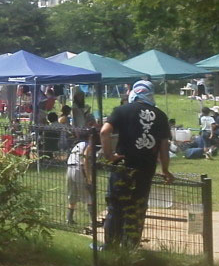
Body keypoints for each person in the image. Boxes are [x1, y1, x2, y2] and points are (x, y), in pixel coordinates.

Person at [100, 80, 173, 248]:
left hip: (122, 166)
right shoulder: (160, 116)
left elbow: (104, 131)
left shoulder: (121, 110)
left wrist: (109, 155)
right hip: (145, 169)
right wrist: (166, 170)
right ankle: (130, 248)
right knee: (137, 208)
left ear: (134, 92)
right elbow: (164, 147)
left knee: (116, 206)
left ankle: (110, 247)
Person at [66, 132, 93, 225]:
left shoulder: (76, 145)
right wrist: (88, 178)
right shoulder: (87, 144)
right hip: (78, 169)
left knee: (72, 195)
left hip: (69, 168)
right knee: (89, 194)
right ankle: (93, 221)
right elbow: (85, 160)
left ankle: (69, 219)